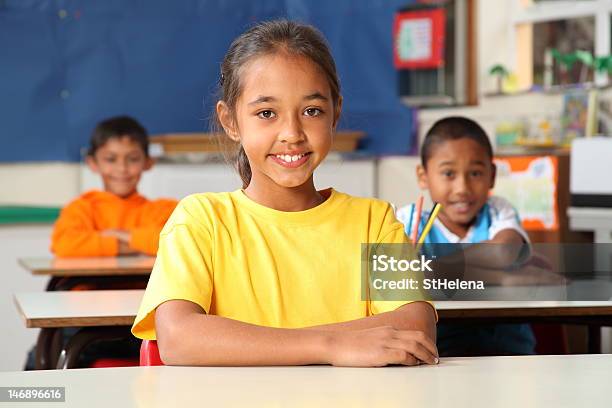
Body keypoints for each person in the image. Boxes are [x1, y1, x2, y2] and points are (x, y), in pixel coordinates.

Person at [132, 20, 438, 367]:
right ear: (230, 120)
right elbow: (179, 338)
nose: (292, 133)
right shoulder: (201, 221)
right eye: (266, 113)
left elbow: (415, 325)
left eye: (311, 111)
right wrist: (330, 346)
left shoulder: (373, 222)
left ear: (335, 113)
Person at [397, 116, 538, 356]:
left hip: (509, 354)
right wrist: (503, 280)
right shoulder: (408, 220)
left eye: (475, 173)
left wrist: (434, 268)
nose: (462, 188)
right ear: (423, 176)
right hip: (440, 354)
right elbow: (399, 281)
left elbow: (503, 251)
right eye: (449, 174)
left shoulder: (498, 210)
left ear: (492, 175)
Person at [51, 116, 177, 257]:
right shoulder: (80, 209)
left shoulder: (163, 210)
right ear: (92, 163)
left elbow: (179, 242)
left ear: (148, 162)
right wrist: (137, 244)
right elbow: (64, 245)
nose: (122, 168)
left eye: (133, 159)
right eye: (111, 159)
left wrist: (122, 235)